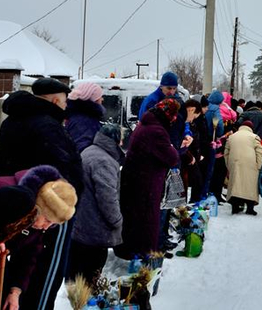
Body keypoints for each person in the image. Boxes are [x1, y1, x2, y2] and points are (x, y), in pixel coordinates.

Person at [0, 78, 83, 310]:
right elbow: (66, 170)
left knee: (12, 271)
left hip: (12, 203)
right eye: (64, 103)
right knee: (42, 274)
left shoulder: (13, 120)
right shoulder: (49, 126)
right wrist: (66, 204)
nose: (65, 109)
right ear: (55, 101)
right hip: (45, 209)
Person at [0, 166, 77, 310]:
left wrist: (15, 291)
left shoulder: (36, 222)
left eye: (53, 224)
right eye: (47, 220)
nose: (47, 227)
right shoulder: (2, 192)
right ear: (39, 206)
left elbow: (29, 255)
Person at [116, 99, 181, 259]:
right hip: (145, 184)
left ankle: (132, 251)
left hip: (137, 180)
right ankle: (142, 255)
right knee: (145, 223)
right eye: (173, 115)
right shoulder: (156, 130)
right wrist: (173, 148)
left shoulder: (146, 124)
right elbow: (172, 157)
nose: (174, 119)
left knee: (134, 220)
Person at [69, 124, 124, 281]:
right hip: (94, 228)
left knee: (78, 268)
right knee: (91, 269)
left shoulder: (90, 151)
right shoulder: (104, 161)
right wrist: (117, 221)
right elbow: (107, 198)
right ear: (114, 140)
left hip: (82, 222)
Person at [225, 120, 262, 215]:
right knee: (250, 185)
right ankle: (250, 208)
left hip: (235, 162)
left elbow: (226, 153)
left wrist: (229, 165)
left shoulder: (232, 137)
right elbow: (259, 152)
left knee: (235, 184)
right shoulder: (254, 137)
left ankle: (235, 207)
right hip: (250, 163)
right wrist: (258, 165)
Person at [65, 81, 105, 153]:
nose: (102, 99)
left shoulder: (82, 116)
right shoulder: (85, 121)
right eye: (100, 96)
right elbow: (82, 148)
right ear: (93, 99)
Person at [203, 90, 225, 200]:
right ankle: (208, 194)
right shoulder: (215, 109)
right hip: (211, 139)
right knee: (211, 169)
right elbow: (219, 124)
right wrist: (220, 134)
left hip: (201, 139)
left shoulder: (204, 106)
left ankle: (202, 193)